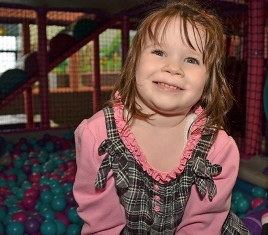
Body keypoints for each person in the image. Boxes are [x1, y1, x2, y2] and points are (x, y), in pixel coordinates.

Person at [73, 0, 250, 234]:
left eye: (191, 59)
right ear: (134, 62)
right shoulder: (98, 137)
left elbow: (201, 226)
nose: (173, 67)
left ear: (209, 83)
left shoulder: (218, 150)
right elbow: (102, 224)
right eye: (159, 52)